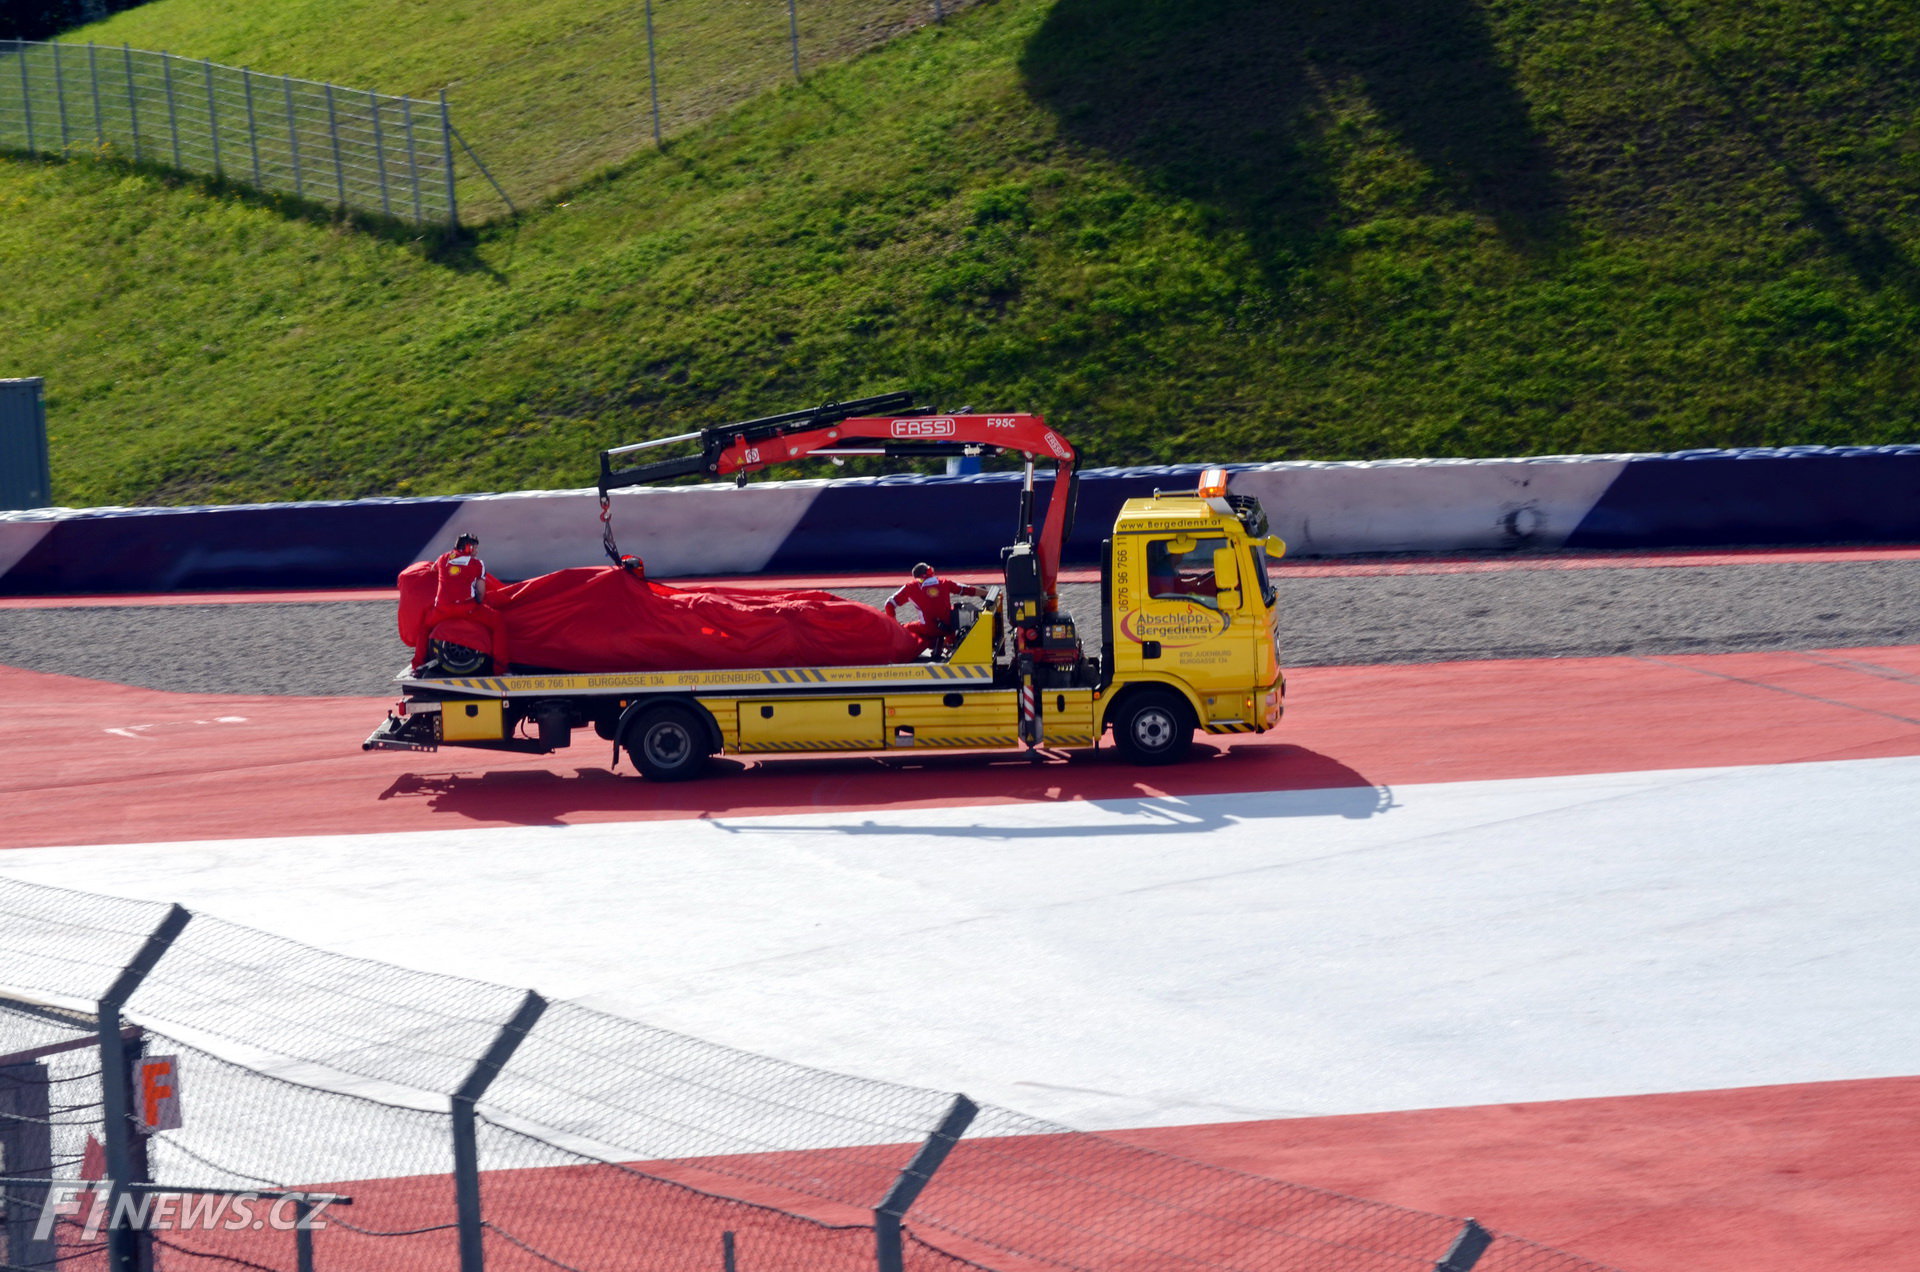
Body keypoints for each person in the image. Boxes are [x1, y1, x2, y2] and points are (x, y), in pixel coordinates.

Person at [412, 532, 511, 674]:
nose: (476, 551)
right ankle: (500, 669)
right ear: (468, 547)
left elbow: (432, 570)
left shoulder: (442, 558)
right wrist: (478, 603)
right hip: (467, 608)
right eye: (475, 548)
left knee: (424, 627)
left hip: (442, 610)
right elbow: (481, 592)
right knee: (498, 622)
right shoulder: (477, 564)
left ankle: (417, 666)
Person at [885, 563, 985, 654]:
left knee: (904, 628)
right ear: (930, 571)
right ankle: (949, 642)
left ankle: (930, 643)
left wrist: (894, 627)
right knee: (954, 610)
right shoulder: (944, 582)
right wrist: (986, 593)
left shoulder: (910, 587)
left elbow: (888, 604)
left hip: (928, 629)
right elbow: (967, 589)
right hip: (948, 627)